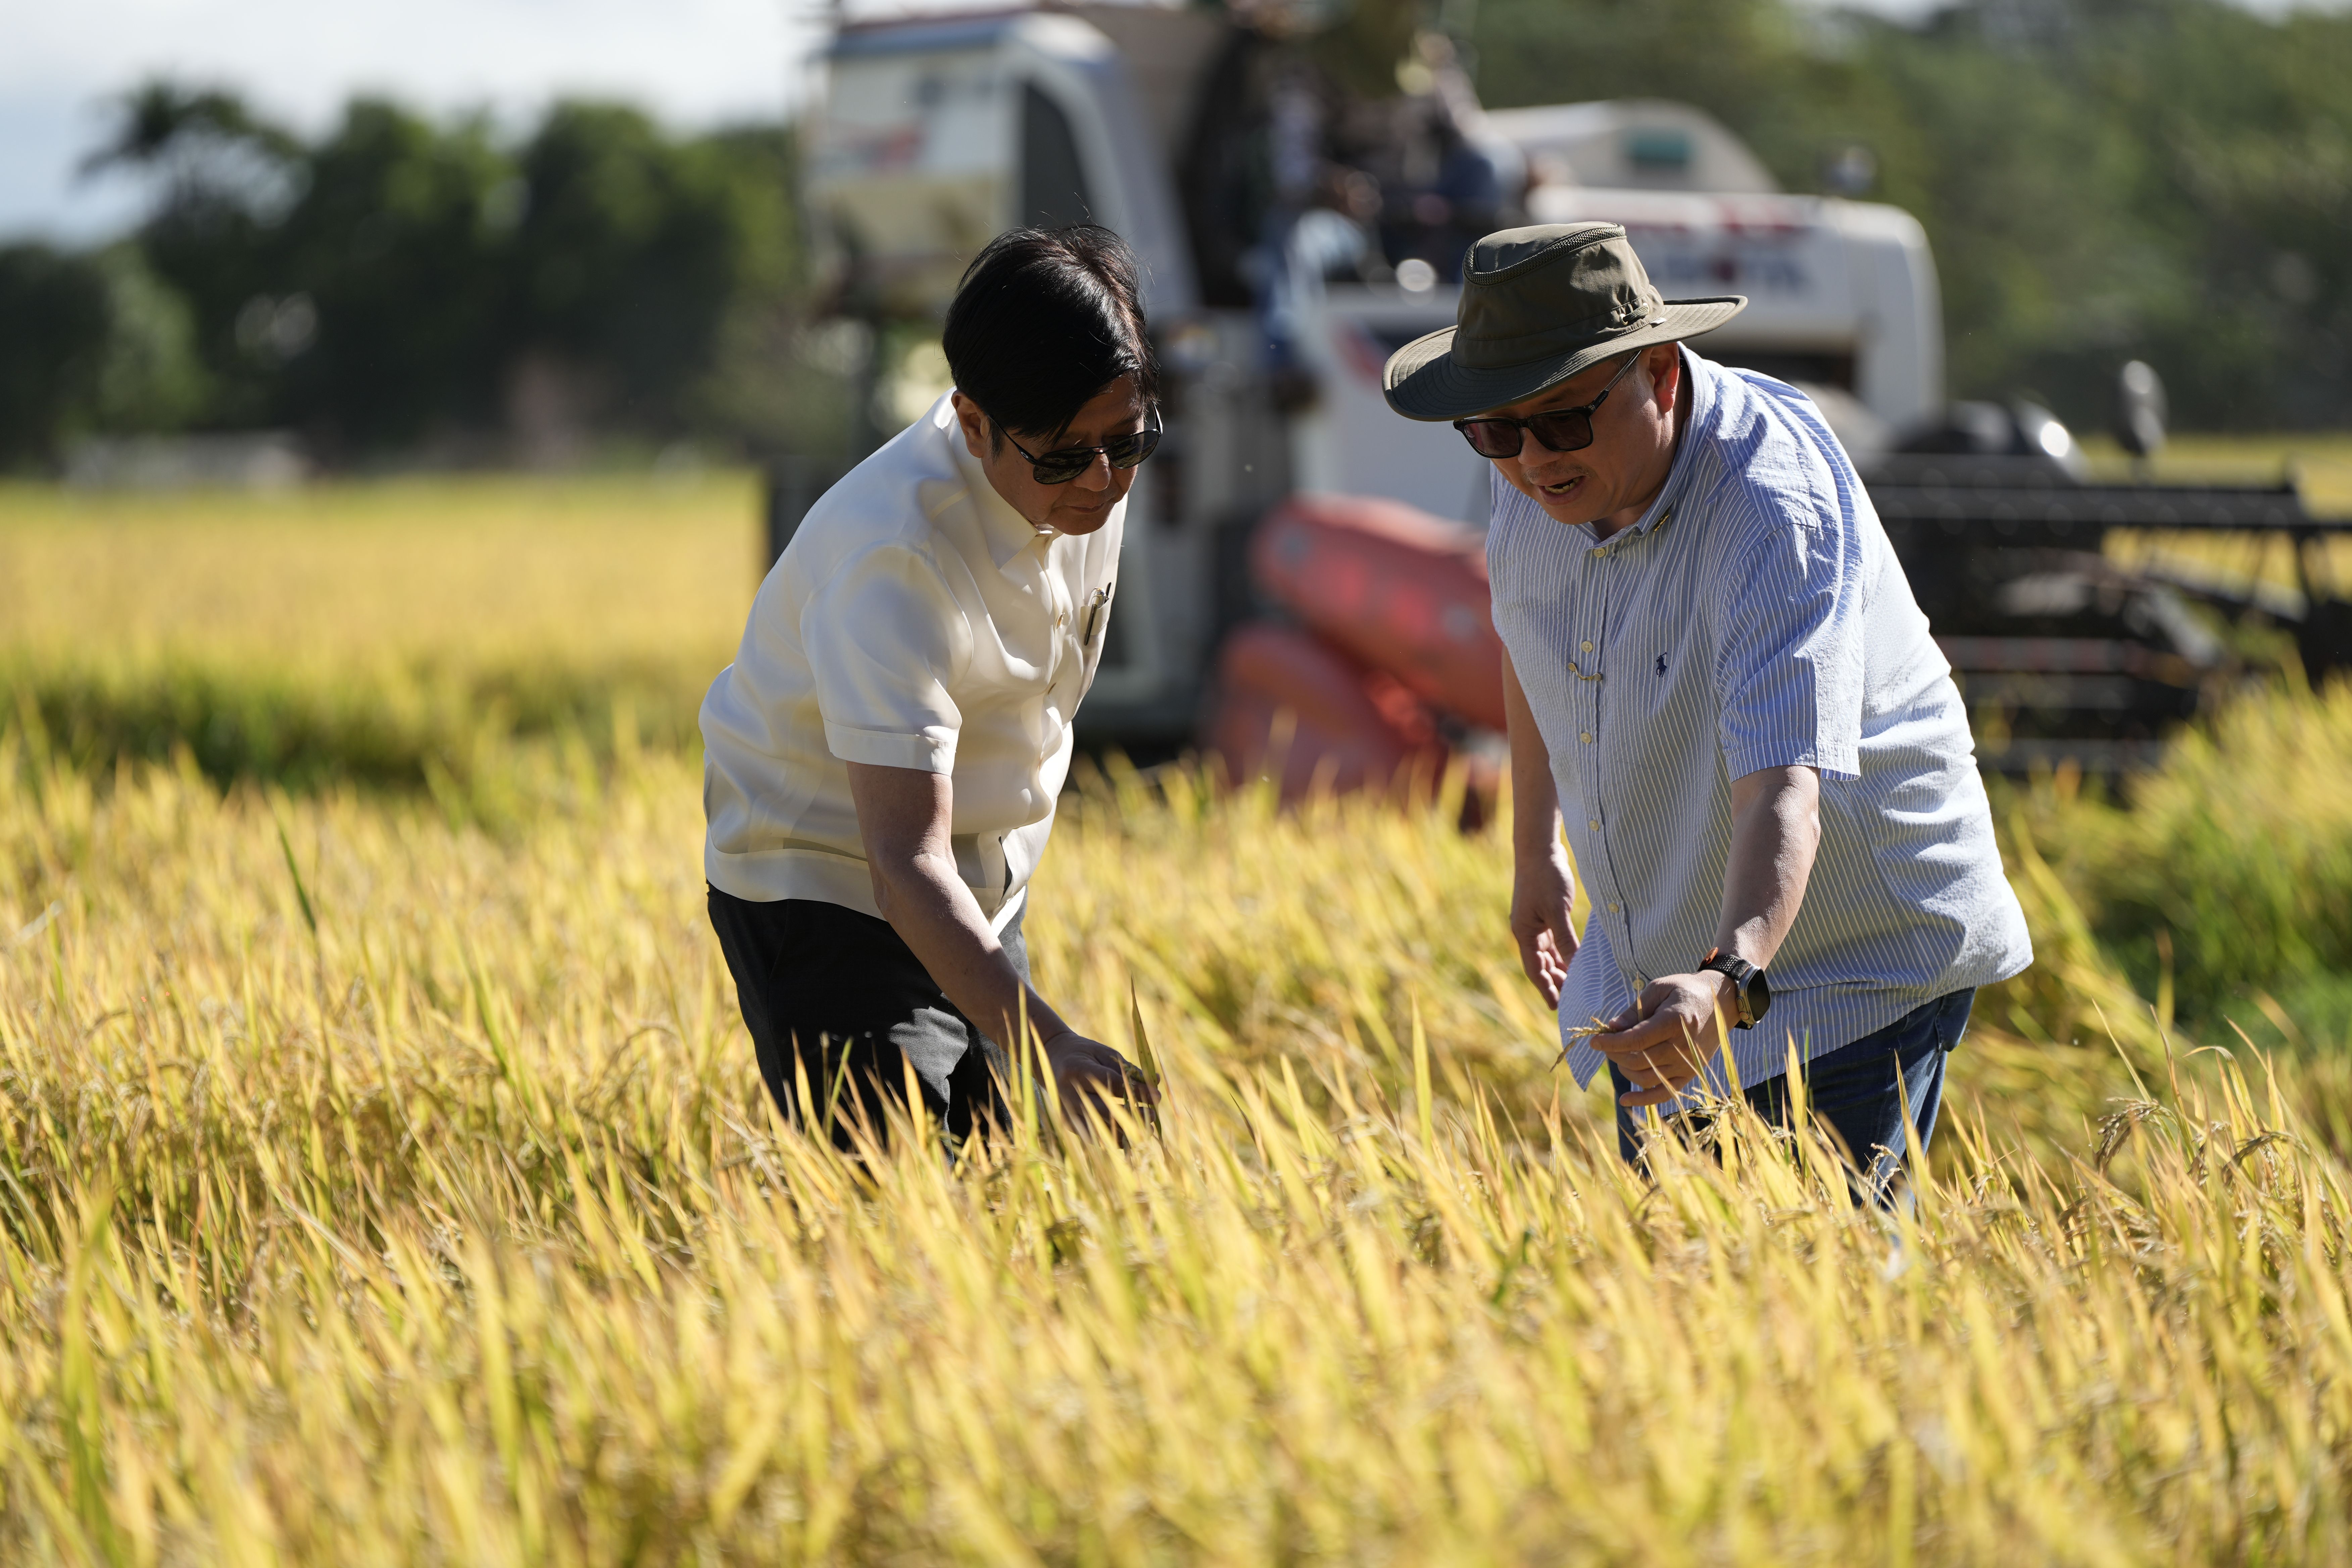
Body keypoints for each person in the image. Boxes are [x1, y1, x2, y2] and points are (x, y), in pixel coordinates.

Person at [1381, 222, 2033, 1200]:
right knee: (1684, 1279)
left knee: (1825, 1289)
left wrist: (1728, 979)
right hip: (1672, 957)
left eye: (1560, 420)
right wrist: (1536, 855)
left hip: (1854, 958)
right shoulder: (1536, 462)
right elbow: (1533, 639)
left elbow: (1785, 785)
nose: (1528, 461)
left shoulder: (1769, 507)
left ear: (1660, 376)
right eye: (1494, 431)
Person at [700, 226, 1158, 1147]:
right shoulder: (894, 556)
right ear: (975, 421)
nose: (1105, 481)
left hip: (981, 880)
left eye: (1129, 439)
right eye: (1068, 455)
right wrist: (1049, 1040)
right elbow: (902, 861)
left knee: (1011, 1172)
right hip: (827, 885)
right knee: (903, 1184)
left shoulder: (1084, 473)